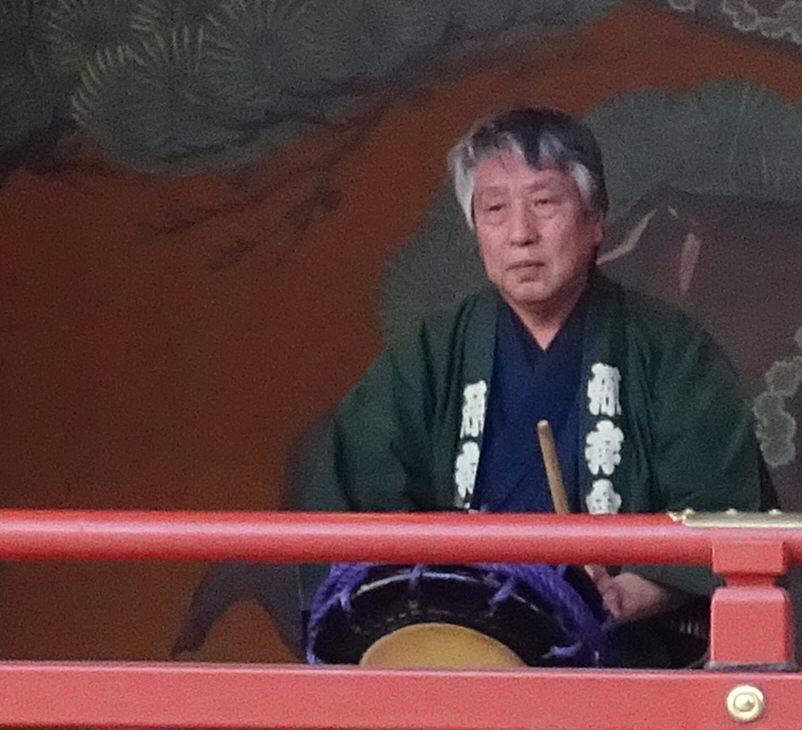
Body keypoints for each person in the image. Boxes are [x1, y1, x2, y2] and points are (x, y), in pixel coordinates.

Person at [308, 105, 773, 665]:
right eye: (495, 209)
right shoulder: (427, 356)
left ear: (595, 221)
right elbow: (354, 510)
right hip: (458, 655)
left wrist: (629, 591)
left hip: (618, 663)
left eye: (545, 203)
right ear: (476, 230)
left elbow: (722, 506)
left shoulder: (670, 351)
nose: (521, 234)